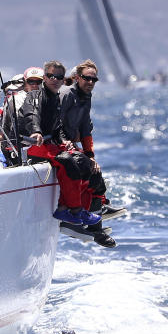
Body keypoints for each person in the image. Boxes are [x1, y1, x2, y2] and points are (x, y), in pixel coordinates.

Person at [9, 60, 115, 246]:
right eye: (51, 76)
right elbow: (31, 114)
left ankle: (78, 210)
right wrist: (36, 131)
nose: (55, 80)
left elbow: (59, 127)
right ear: (45, 77)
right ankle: (72, 210)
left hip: (50, 143)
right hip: (31, 144)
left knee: (84, 163)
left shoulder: (56, 97)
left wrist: (68, 144)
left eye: (59, 77)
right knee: (68, 162)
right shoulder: (36, 95)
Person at [59, 59, 121, 219]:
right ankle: (78, 213)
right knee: (84, 168)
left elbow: (86, 129)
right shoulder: (66, 94)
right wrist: (66, 142)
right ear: (77, 77)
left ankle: (97, 214)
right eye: (87, 78)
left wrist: (91, 155)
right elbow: (54, 122)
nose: (90, 82)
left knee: (94, 169)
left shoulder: (86, 97)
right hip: (58, 142)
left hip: (71, 143)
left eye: (94, 79)